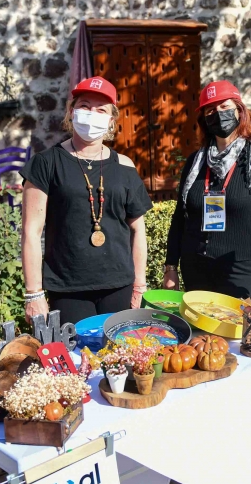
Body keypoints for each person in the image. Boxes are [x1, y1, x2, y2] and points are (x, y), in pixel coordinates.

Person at [20, 76, 152, 324]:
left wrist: (139, 286)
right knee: (78, 359)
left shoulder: (125, 167)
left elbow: (138, 230)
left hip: (119, 287)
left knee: (120, 357)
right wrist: (33, 293)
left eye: (101, 110)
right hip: (69, 289)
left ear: (112, 119)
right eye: (84, 106)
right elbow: (31, 231)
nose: (92, 114)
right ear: (71, 112)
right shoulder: (46, 164)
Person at [162, 81, 251, 299]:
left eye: (224, 107)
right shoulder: (195, 162)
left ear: (239, 110)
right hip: (195, 267)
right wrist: (170, 266)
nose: (218, 114)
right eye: (210, 110)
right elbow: (180, 217)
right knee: (201, 333)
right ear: (204, 119)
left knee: (237, 330)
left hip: (238, 268)